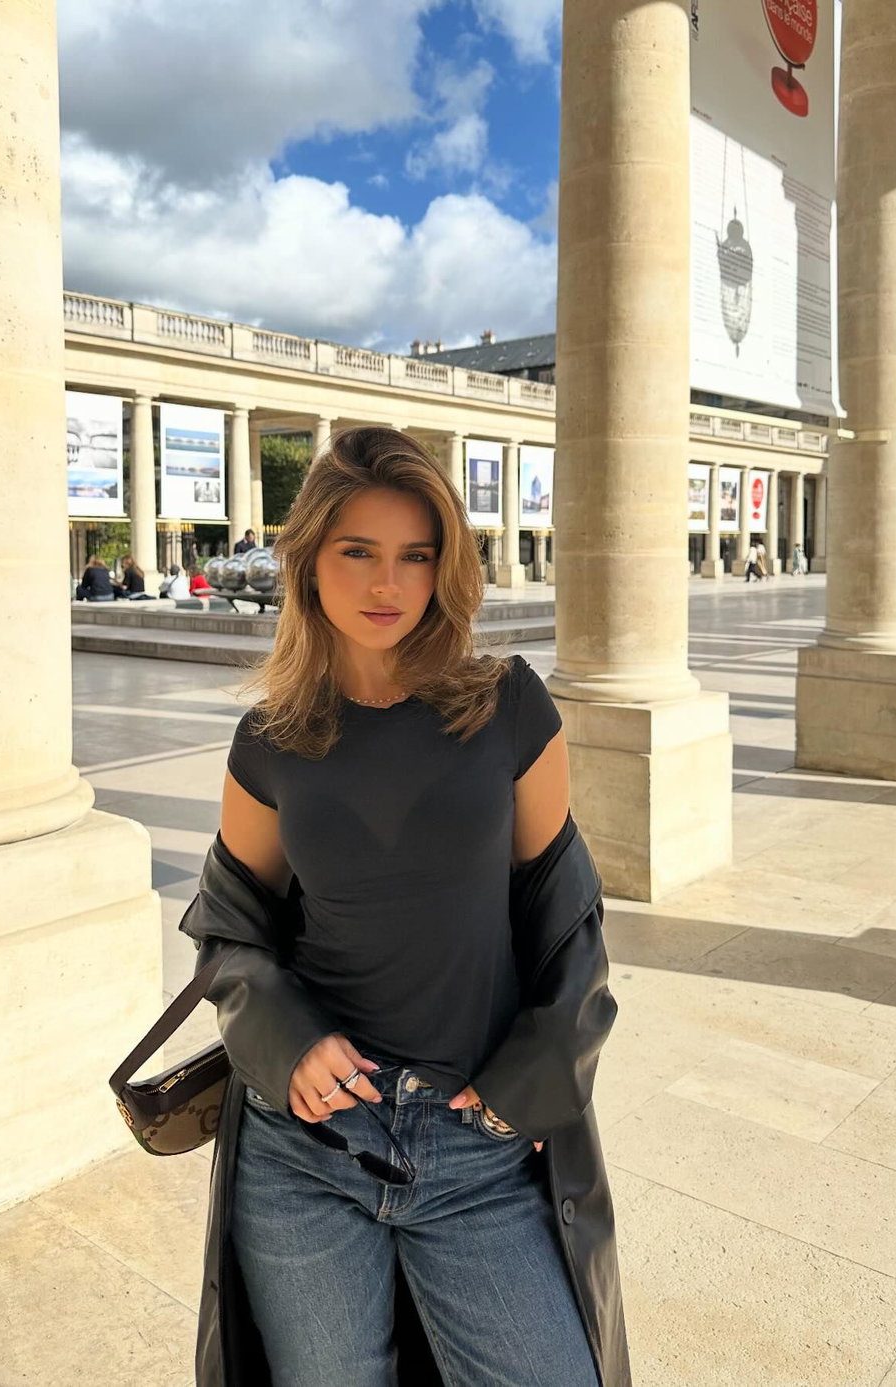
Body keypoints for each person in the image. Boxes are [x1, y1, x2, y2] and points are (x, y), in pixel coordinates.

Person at [177, 427, 628, 1387]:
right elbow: (231, 928)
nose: (389, 583)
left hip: (477, 1146)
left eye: (416, 555)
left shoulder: (508, 706)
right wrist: (289, 1038)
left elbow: (567, 917)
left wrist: (534, 1078)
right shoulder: (269, 739)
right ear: (309, 559)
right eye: (358, 551)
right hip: (306, 1152)